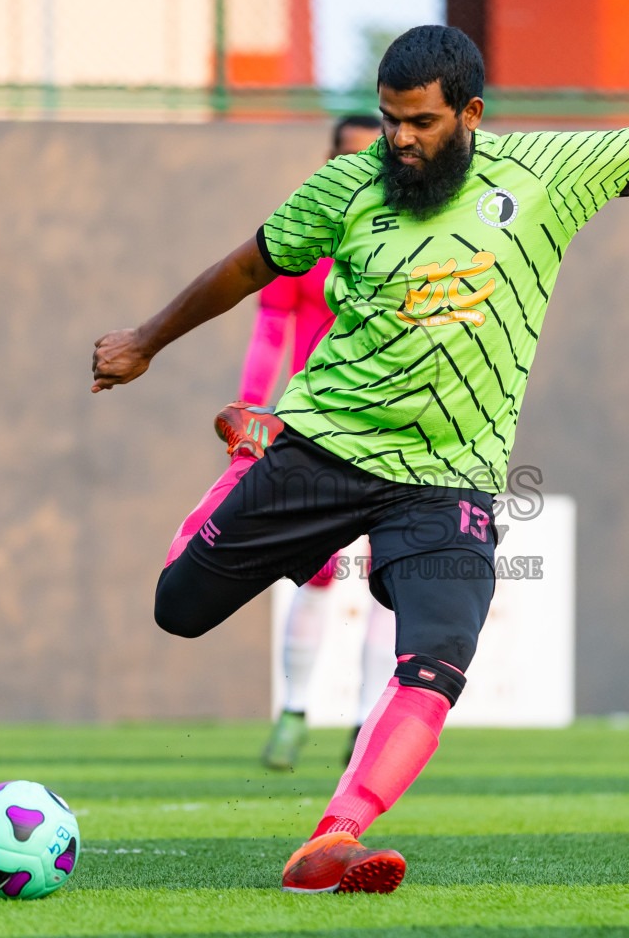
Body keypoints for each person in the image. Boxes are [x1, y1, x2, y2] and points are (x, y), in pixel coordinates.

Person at [93, 17, 629, 894]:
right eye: (389, 119)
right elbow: (247, 268)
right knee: (178, 610)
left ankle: (335, 835)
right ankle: (247, 461)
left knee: (439, 662)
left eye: (420, 123)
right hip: (324, 444)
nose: (398, 141)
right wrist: (145, 340)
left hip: (450, 481)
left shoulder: (546, 175)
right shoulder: (343, 188)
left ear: (471, 113)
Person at [236, 115, 399, 772]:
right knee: (319, 572)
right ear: (329, 160)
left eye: (374, 156)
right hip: (319, 427)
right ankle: (295, 712)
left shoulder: (412, 240)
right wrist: (253, 412)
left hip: (395, 430)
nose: (360, 168)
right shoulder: (306, 234)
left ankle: (365, 725)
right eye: (348, 156)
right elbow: (272, 327)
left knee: (389, 581)